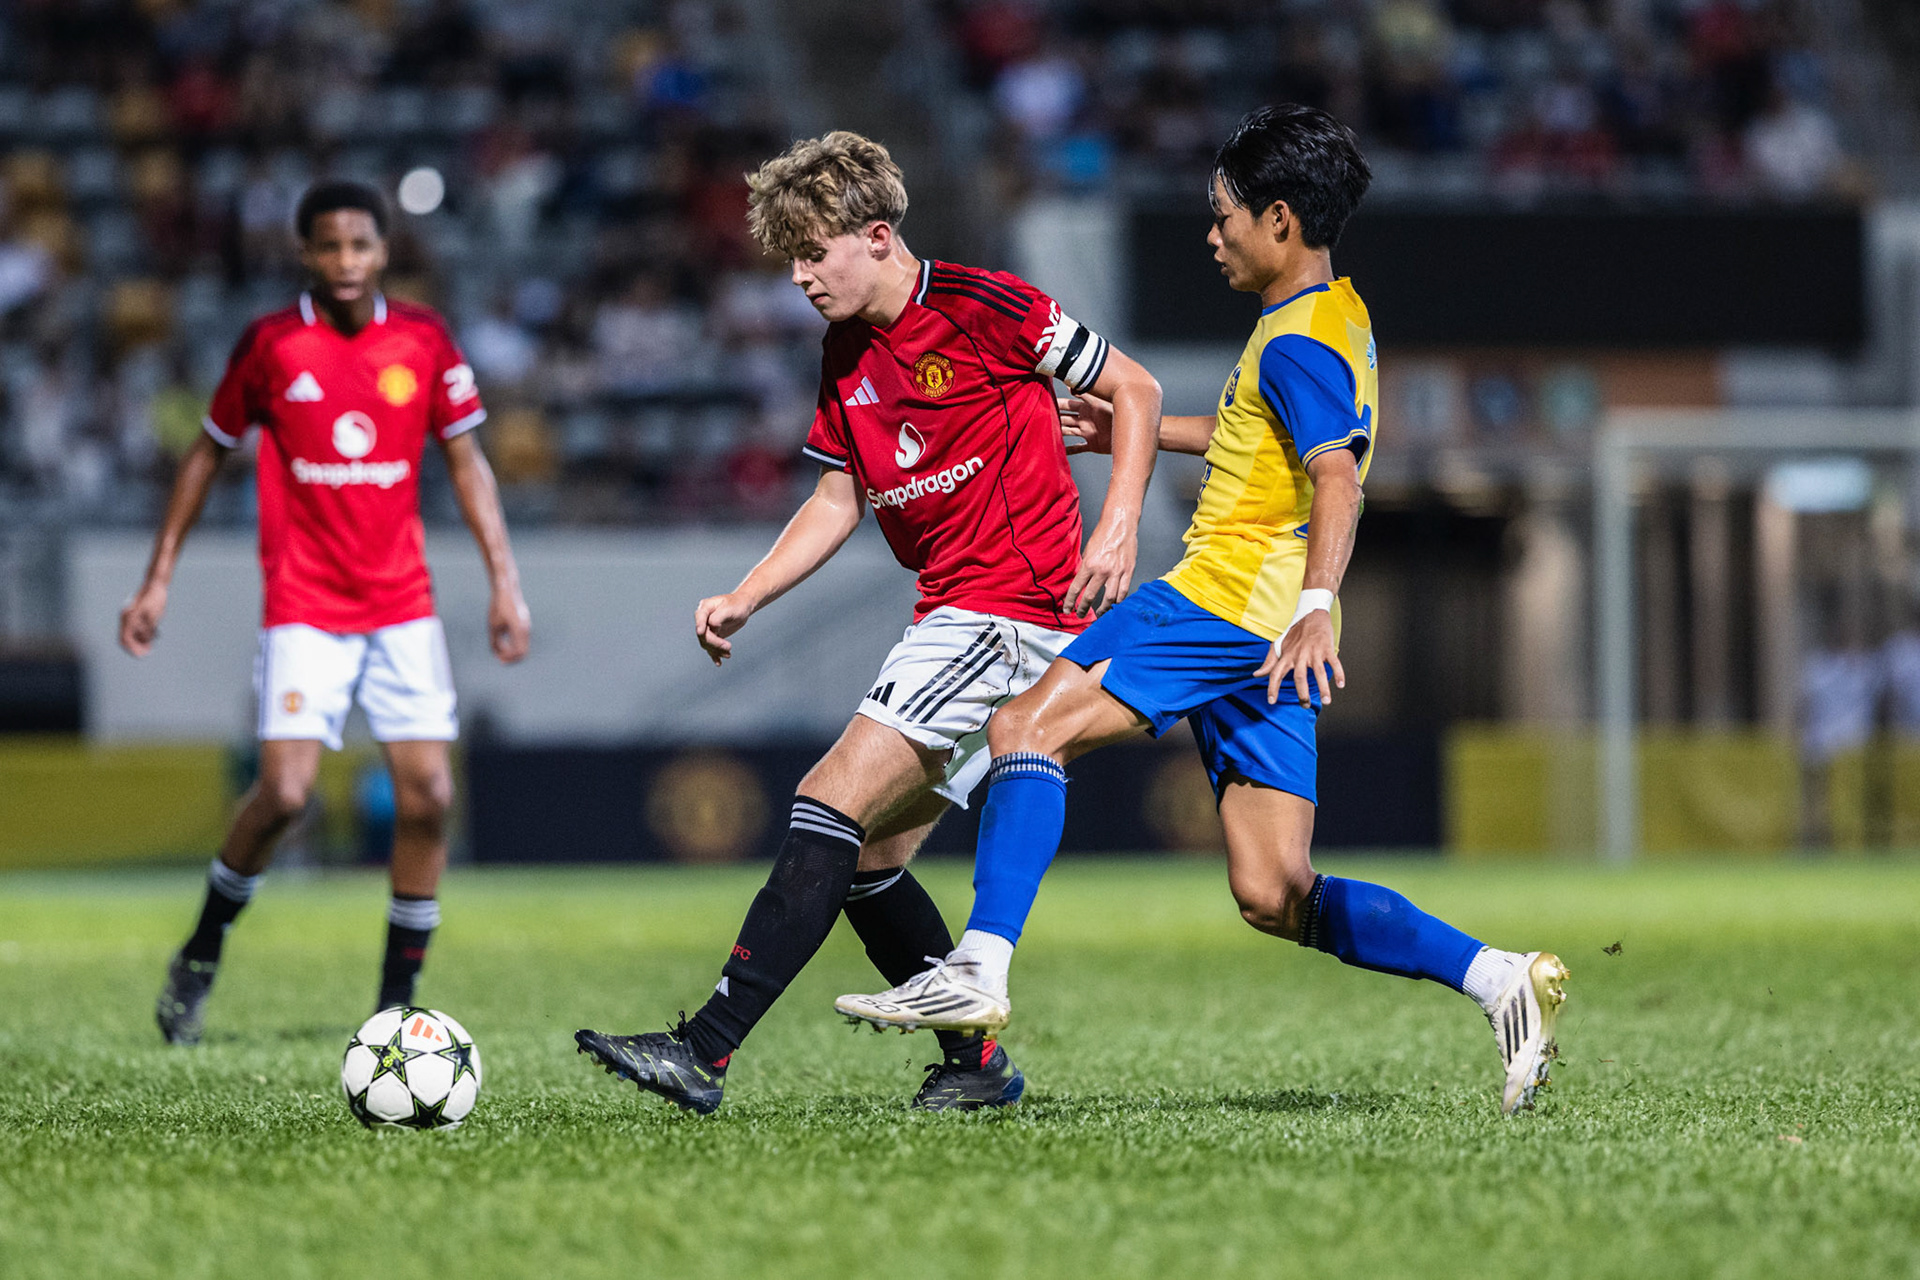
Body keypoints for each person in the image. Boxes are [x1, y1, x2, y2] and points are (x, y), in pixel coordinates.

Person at [837, 105, 1571, 1116]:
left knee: (1023, 726)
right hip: (1263, 629)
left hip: (1224, 599)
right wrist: (1136, 434)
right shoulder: (1328, 315)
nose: (1212, 234)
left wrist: (1318, 604)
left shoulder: (1295, 344)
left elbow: (1337, 478)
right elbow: (1258, 438)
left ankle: (979, 963)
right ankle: (1501, 979)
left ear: (1279, 220)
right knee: (1275, 889)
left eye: (1224, 215)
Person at [573, 131, 1163, 1113]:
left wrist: (1120, 524)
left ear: (878, 236)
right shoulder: (843, 350)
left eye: (814, 254)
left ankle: (704, 1050)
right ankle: (976, 1065)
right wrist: (747, 594)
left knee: (828, 798)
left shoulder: (986, 305)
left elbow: (1134, 387)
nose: (799, 277)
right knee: (871, 863)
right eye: (791, 259)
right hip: (957, 613)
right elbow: (837, 497)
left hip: (1004, 613)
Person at [128, 180, 531, 1045]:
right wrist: (158, 578)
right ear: (304, 252)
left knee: (430, 793)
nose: (345, 261)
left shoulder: (423, 338)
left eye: (360, 245)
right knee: (284, 792)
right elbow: (206, 454)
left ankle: (395, 1007)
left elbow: (467, 462)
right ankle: (200, 951)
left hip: (401, 605)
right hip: (305, 603)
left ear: (384, 251)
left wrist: (506, 582)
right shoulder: (273, 344)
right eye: (329, 246)